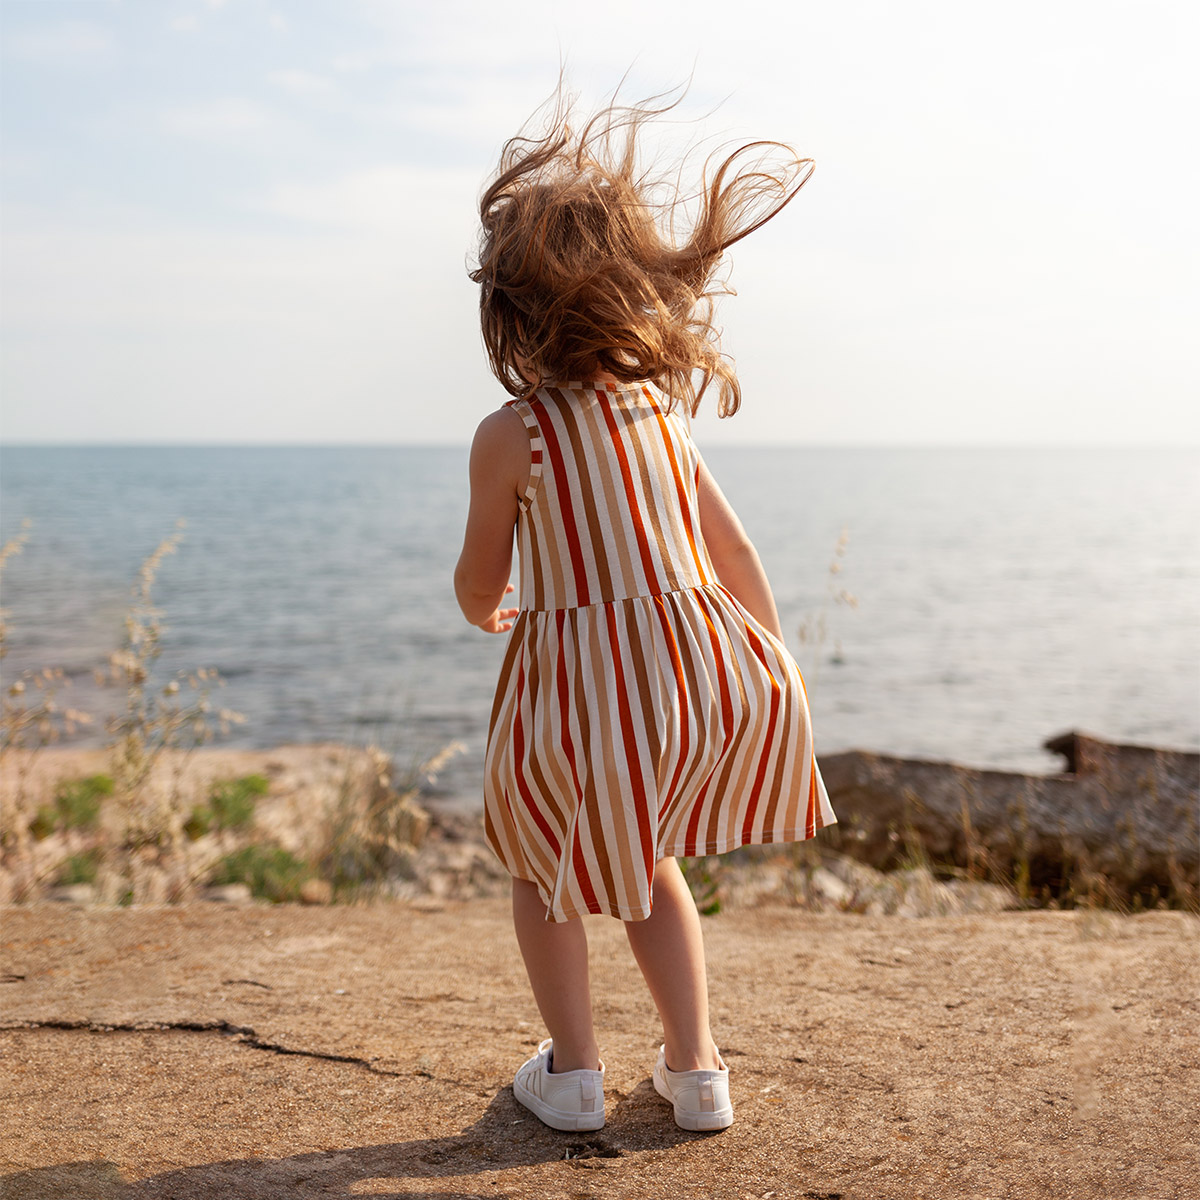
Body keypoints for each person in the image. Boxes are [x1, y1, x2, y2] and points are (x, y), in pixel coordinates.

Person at [454, 86, 836, 1134]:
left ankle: (574, 1074)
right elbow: (734, 549)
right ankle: (697, 1068)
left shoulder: (512, 435)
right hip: (673, 680)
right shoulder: (659, 412)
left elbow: (480, 577)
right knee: (650, 860)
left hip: (570, 691)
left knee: (544, 864)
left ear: (511, 312)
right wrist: (768, 659)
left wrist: (486, 607)